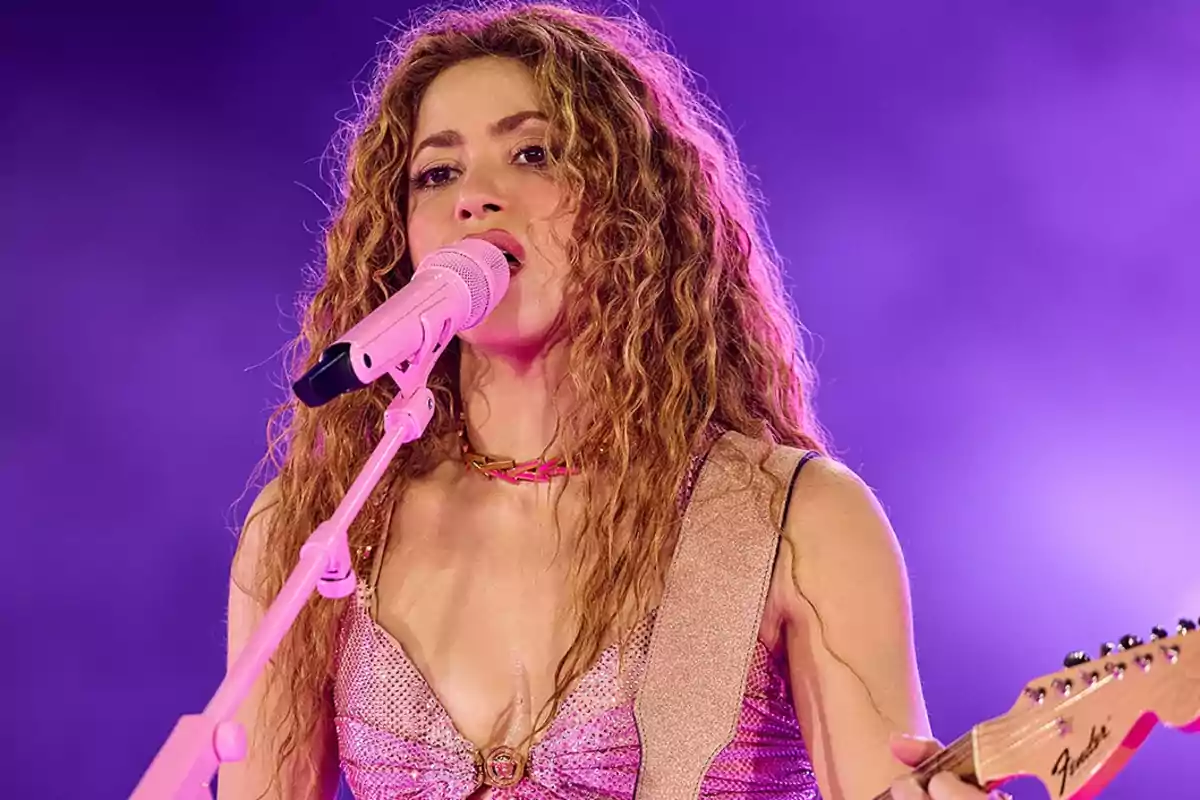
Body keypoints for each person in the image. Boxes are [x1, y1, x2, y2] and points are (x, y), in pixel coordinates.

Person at [219, 3, 1002, 799]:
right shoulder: (318, 532)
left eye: (533, 153)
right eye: (438, 172)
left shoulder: (794, 519)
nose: (475, 198)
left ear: (634, 210)